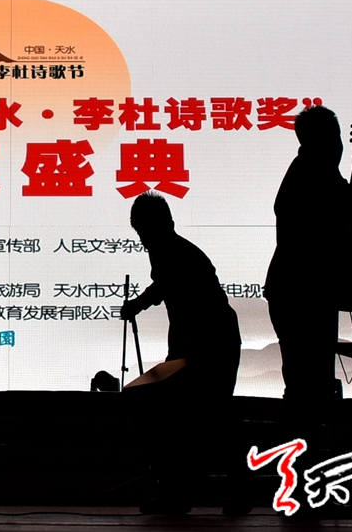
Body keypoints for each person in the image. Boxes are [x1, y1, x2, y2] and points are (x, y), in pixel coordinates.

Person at [264, 105, 352, 407]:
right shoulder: (313, 173)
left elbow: (341, 231)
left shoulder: (309, 172)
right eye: (335, 138)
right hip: (301, 296)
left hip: (301, 294)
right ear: (327, 140)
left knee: (307, 384)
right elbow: (345, 210)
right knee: (308, 385)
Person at [120, 192, 243, 514]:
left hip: (209, 348)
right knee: (205, 414)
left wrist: (137, 305)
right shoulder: (174, 250)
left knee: (203, 413)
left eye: (145, 233)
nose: (144, 241)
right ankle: (181, 488)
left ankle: (177, 488)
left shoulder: (174, 254)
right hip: (202, 348)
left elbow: (164, 288)